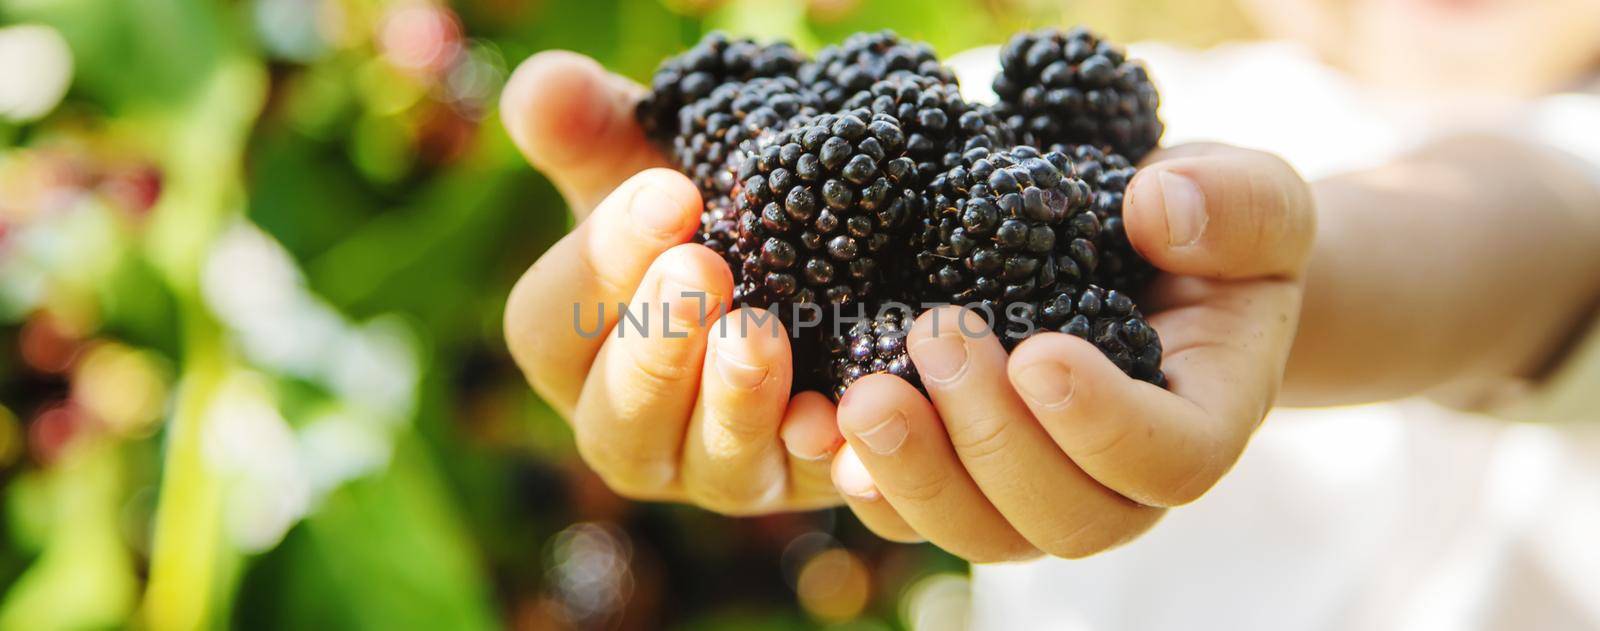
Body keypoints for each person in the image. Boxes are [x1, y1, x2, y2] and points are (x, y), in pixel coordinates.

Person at [499, 0, 1600, 625]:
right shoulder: (1052, 103)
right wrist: (644, 314)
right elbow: (864, 168)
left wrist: (1281, 268)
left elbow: (1527, 230)